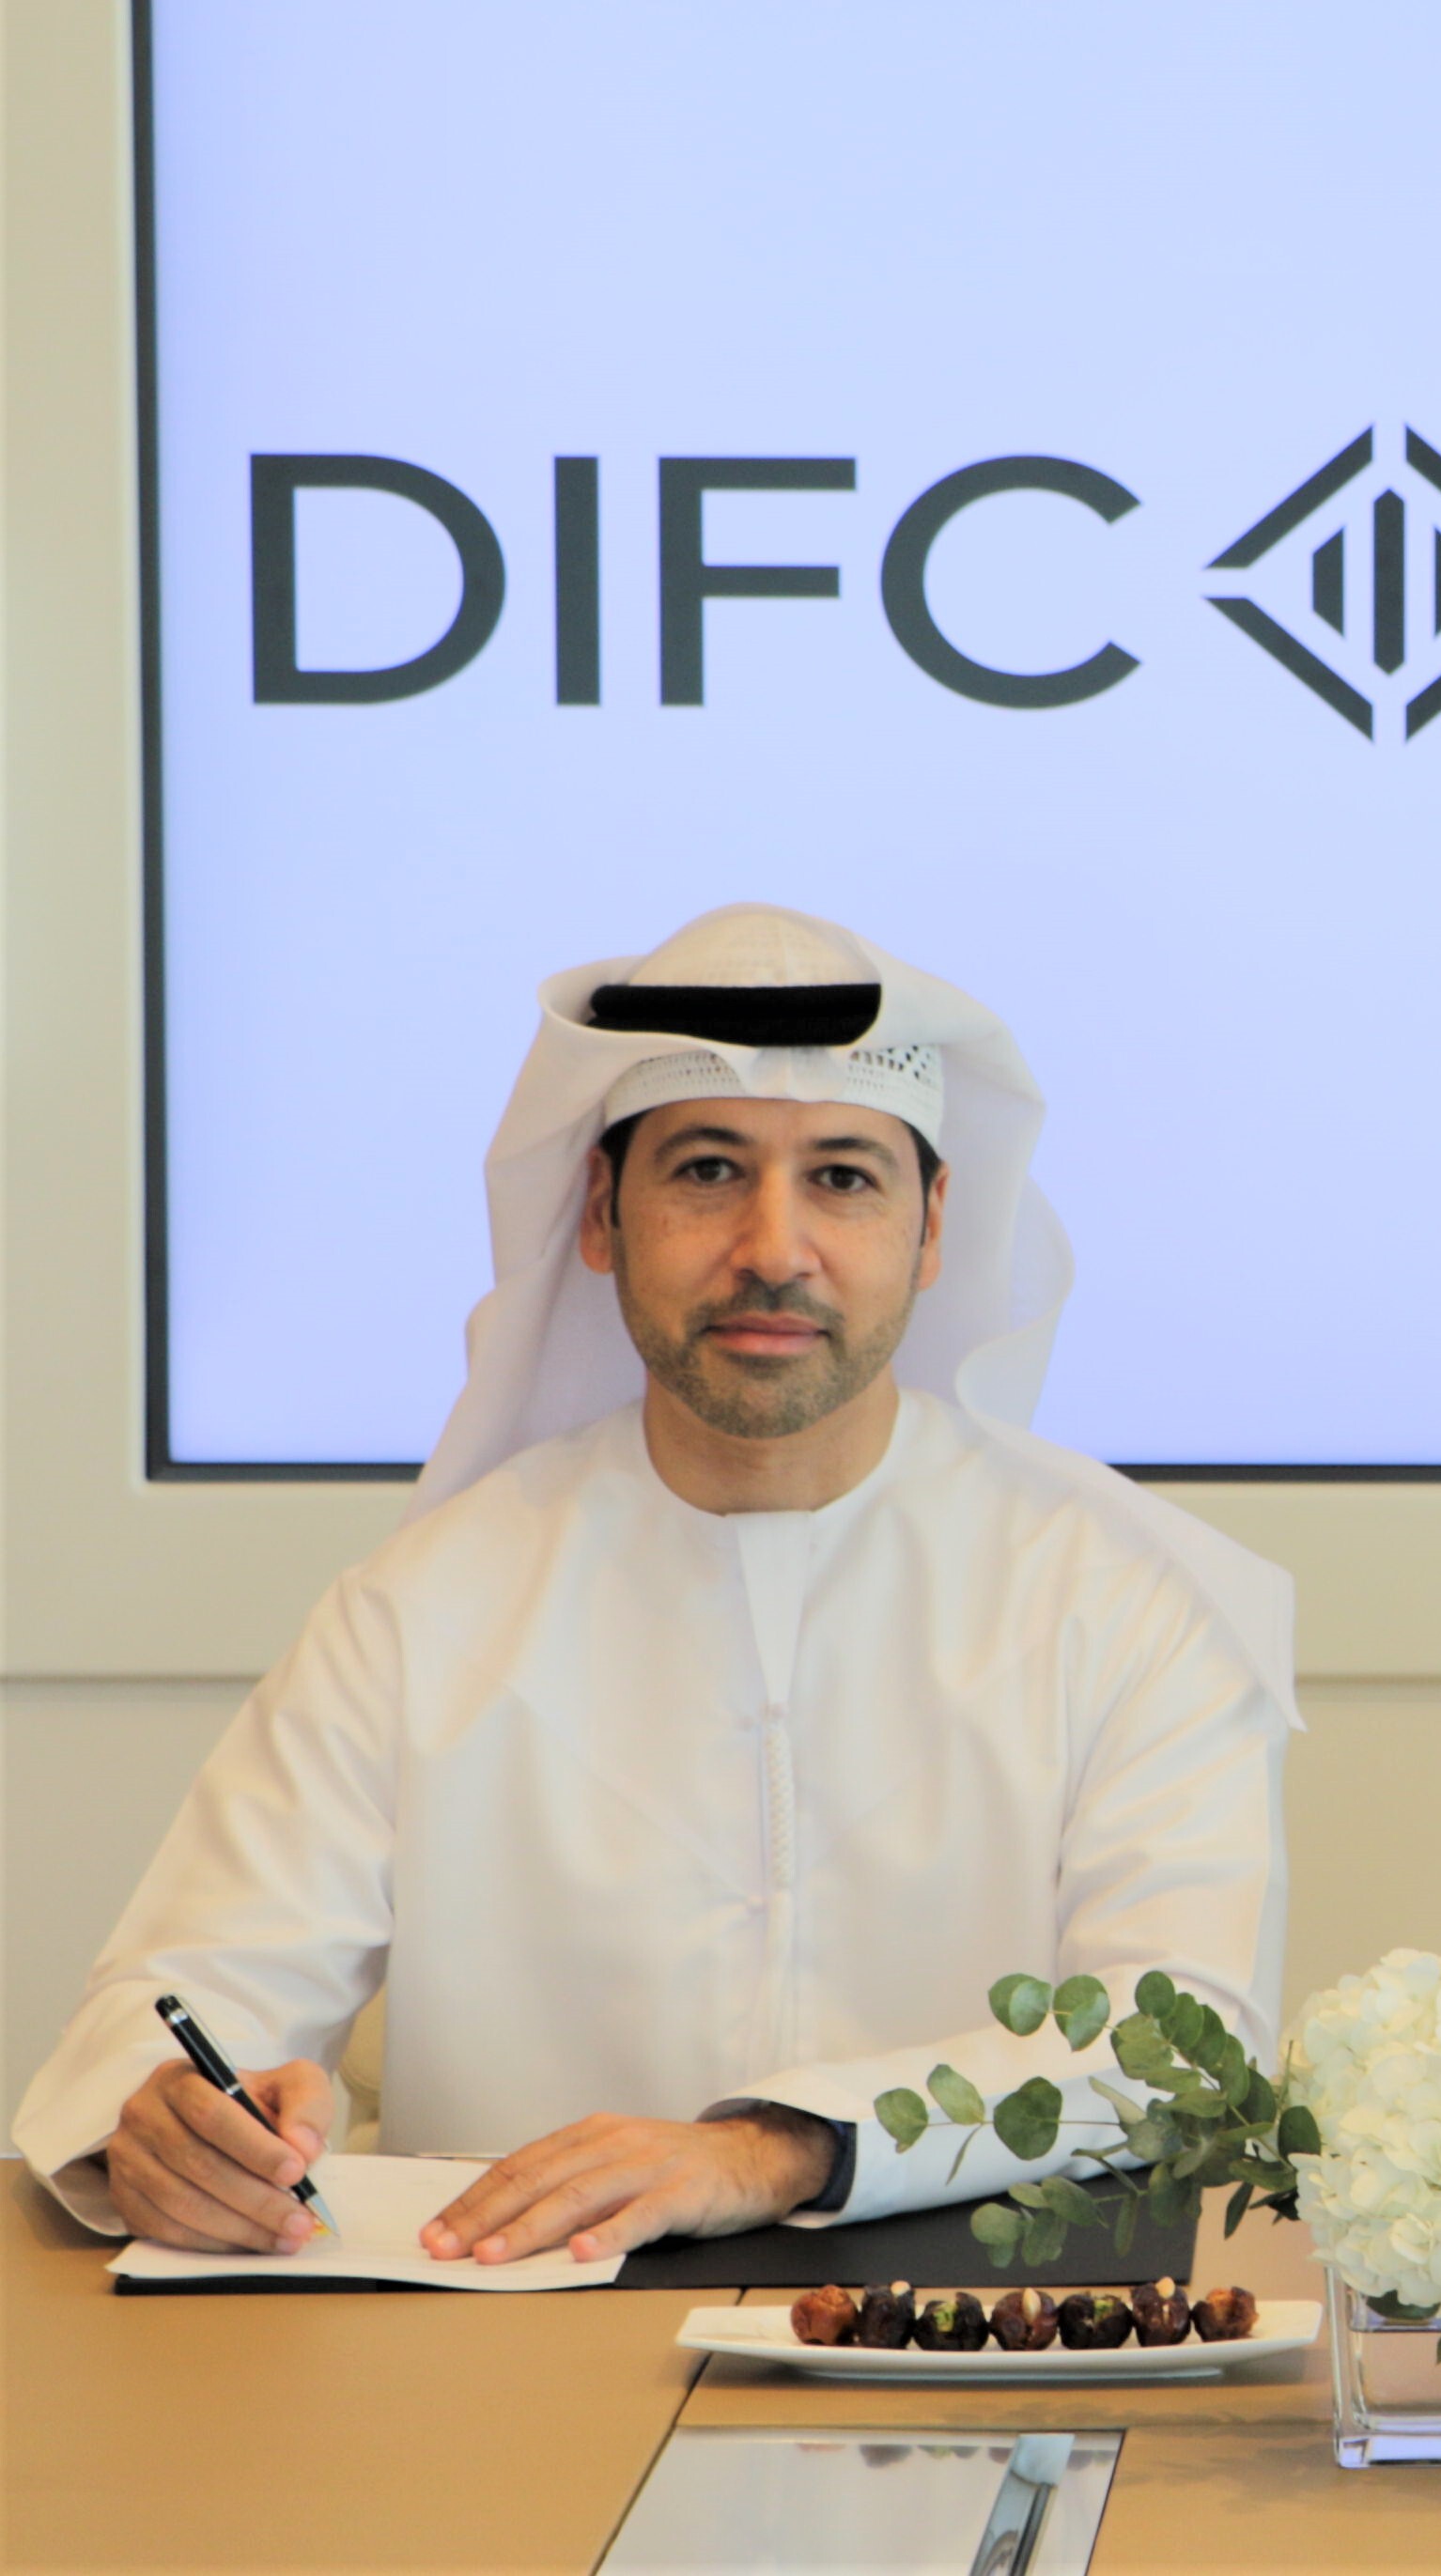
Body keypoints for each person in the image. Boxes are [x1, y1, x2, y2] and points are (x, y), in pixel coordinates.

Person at [15, 905, 1296, 2261]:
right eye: (707, 1169)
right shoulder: (425, 1610)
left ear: (932, 1229)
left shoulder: (1126, 1599)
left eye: (843, 1177)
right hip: (502, 2343)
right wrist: (169, 2127)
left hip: (981, 2337)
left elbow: (1182, 2048)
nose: (774, 1247)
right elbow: (188, 1988)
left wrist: (779, 2148)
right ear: (600, 1215)